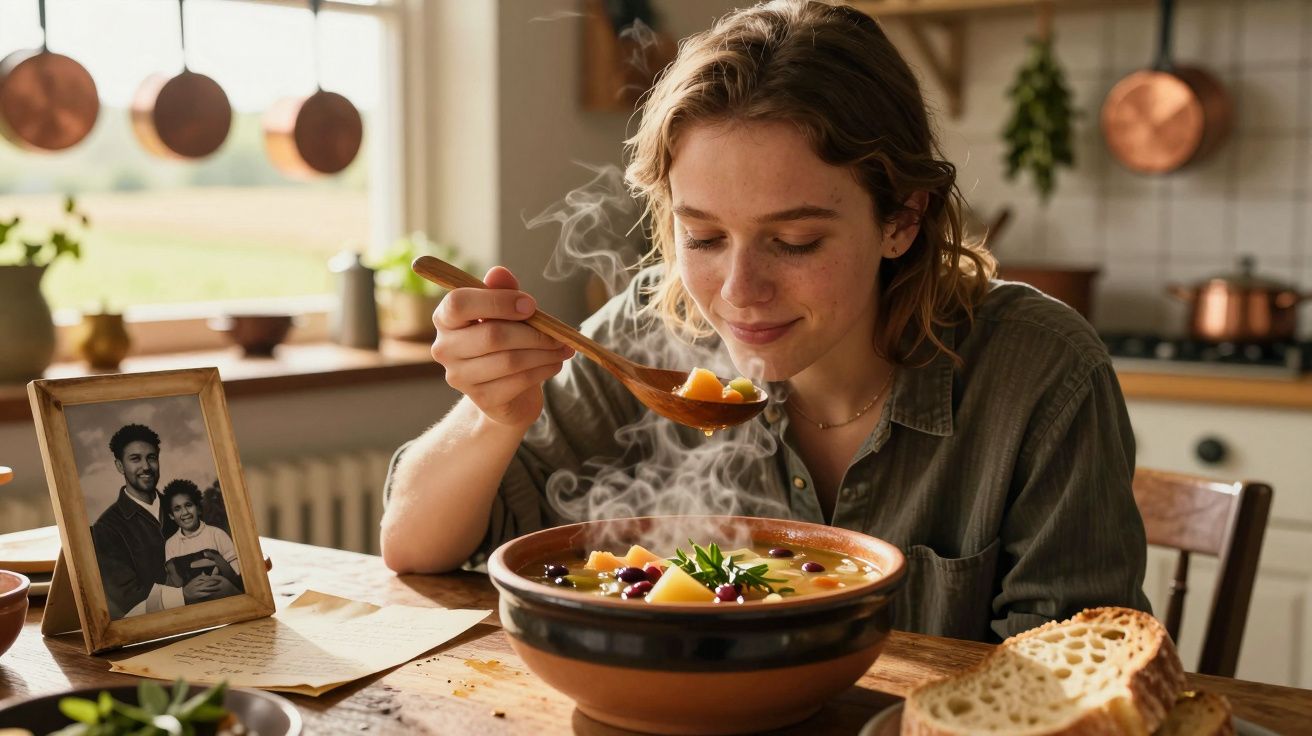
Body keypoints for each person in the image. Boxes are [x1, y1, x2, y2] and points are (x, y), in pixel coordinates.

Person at [380, 0, 1150, 642]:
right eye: (704, 237)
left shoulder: (1039, 370)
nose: (739, 291)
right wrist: (493, 416)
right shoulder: (647, 335)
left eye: (794, 241)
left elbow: (1075, 675)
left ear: (902, 220)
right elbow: (413, 547)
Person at [90, 424, 239, 619]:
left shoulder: (184, 510)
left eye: (151, 457)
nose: (146, 466)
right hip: (157, 637)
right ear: (119, 466)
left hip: (214, 618)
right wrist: (182, 595)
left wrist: (229, 583)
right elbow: (125, 602)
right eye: (135, 459)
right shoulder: (106, 529)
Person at [161, 479, 243, 593]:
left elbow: (238, 576)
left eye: (188, 505)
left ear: (198, 508)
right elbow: (176, 584)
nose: (185, 512)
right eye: (177, 509)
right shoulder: (171, 544)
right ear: (171, 515)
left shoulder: (217, 534)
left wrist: (218, 560)